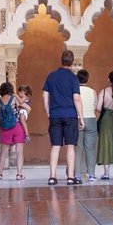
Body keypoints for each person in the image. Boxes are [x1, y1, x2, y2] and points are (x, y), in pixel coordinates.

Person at [42, 50, 85, 185]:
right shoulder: (73, 78)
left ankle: (52, 176)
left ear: (61, 60)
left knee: (55, 146)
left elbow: (44, 95)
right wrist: (81, 118)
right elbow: (76, 99)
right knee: (70, 146)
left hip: (55, 115)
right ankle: (70, 177)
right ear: (72, 63)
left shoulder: (51, 76)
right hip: (70, 115)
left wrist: (48, 112)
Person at [0, 82, 28, 181]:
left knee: (3, 152)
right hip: (17, 125)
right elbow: (22, 105)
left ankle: (0, 174)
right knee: (19, 152)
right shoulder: (13, 98)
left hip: (5, 128)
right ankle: (19, 174)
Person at [76, 69, 98, 181]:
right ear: (87, 79)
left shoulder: (75, 90)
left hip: (78, 119)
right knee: (90, 148)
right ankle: (91, 174)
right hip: (91, 119)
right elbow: (95, 106)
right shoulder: (92, 91)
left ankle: (77, 174)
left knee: (78, 148)